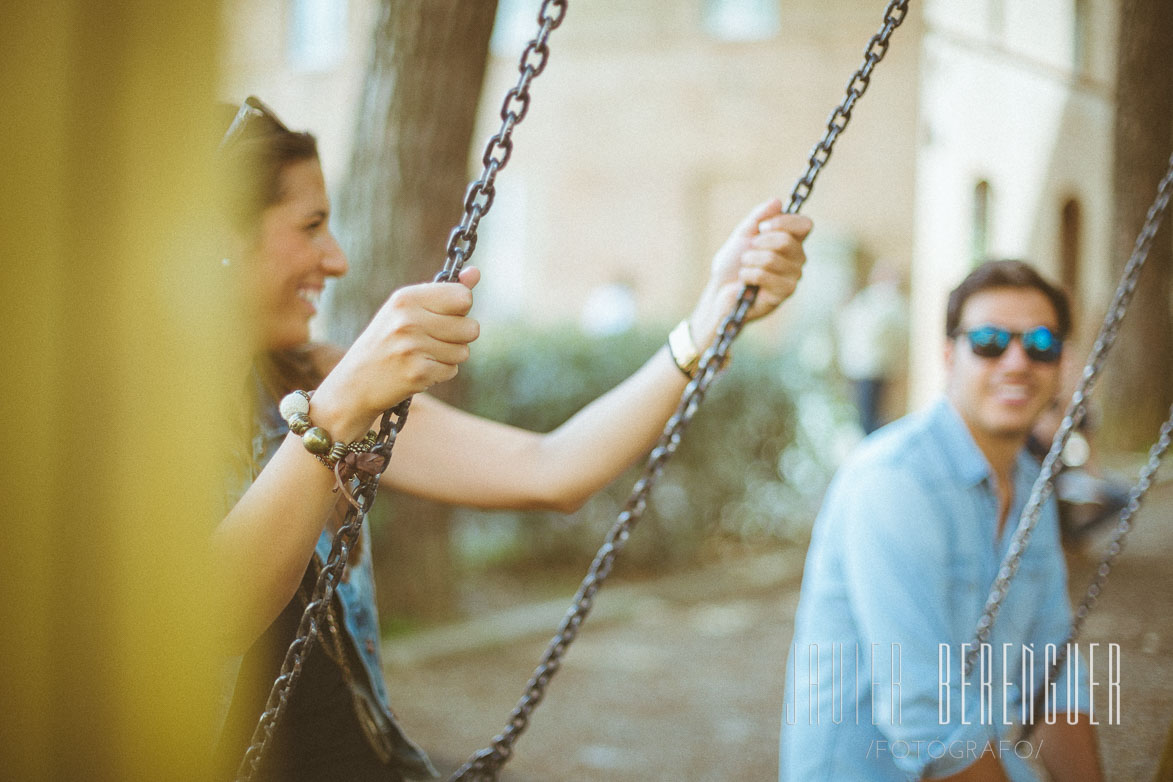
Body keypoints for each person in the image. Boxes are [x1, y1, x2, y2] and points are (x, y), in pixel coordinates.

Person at [211, 97, 812, 781]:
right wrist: (340, 409)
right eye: (312, 225)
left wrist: (708, 321)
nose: (337, 258)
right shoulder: (118, 425)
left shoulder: (307, 377)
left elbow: (548, 469)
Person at [780, 261, 1102, 781]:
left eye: (1041, 342)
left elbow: (1051, 677)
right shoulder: (894, 482)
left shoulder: (1030, 488)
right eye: (990, 341)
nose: (1017, 361)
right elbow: (927, 716)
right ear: (950, 355)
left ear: (1061, 360)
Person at [835, 257, 908, 434]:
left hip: (875, 368)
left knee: (872, 417)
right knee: (864, 416)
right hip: (860, 367)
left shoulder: (888, 301)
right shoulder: (868, 300)